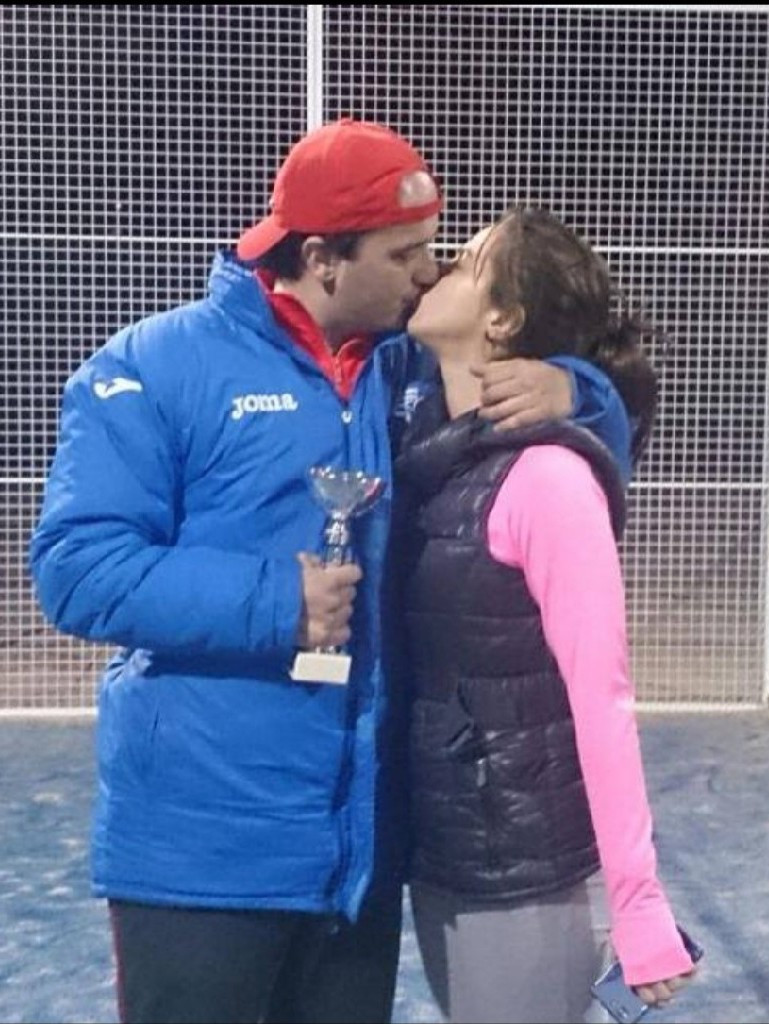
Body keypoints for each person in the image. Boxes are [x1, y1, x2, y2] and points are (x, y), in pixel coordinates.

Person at [29, 120, 630, 1024]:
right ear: (322, 259)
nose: (427, 271)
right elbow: (76, 569)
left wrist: (578, 390)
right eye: (404, 253)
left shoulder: (405, 369)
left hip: (355, 862)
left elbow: (587, 442)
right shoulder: (152, 366)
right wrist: (276, 601)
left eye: (434, 250)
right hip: (203, 859)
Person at [396, 207, 697, 1024]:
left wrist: (637, 901)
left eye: (464, 262)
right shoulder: (433, 451)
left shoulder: (548, 481)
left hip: (520, 870)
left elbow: (603, 699)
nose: (436, 269)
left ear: (502, 320)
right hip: (448, 853)